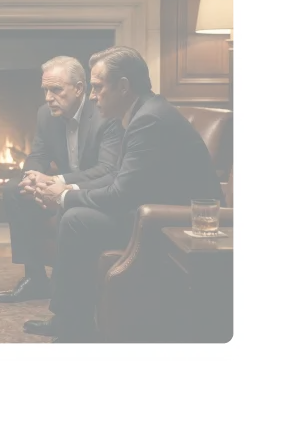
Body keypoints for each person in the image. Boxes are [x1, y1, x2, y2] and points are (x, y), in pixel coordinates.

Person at [28, 46, 223, 342]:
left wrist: (65, 196)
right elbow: (121, 179)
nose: (92, 97)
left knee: (76, 218)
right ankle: (69, 318)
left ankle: (74, 329)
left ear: (123, 86)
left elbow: (121, 193)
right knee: (74, 213)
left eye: (97, 87)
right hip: (151, 209)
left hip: (173, 226)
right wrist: (69, 189)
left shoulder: (148, 120)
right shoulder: (143, 112)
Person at [0, 56, 122, 304]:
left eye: (55, 90)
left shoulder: (104, 114)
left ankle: (68, 291)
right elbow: (38, 154)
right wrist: (32, 177)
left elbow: (107, 169)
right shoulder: (45, 114)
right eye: (45, 90)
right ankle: (35, 278)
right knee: (15, 190)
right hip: (60, 183)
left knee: (67, 204)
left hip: (92, 189)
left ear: (78, 88)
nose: (48, 97)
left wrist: (56, 179)